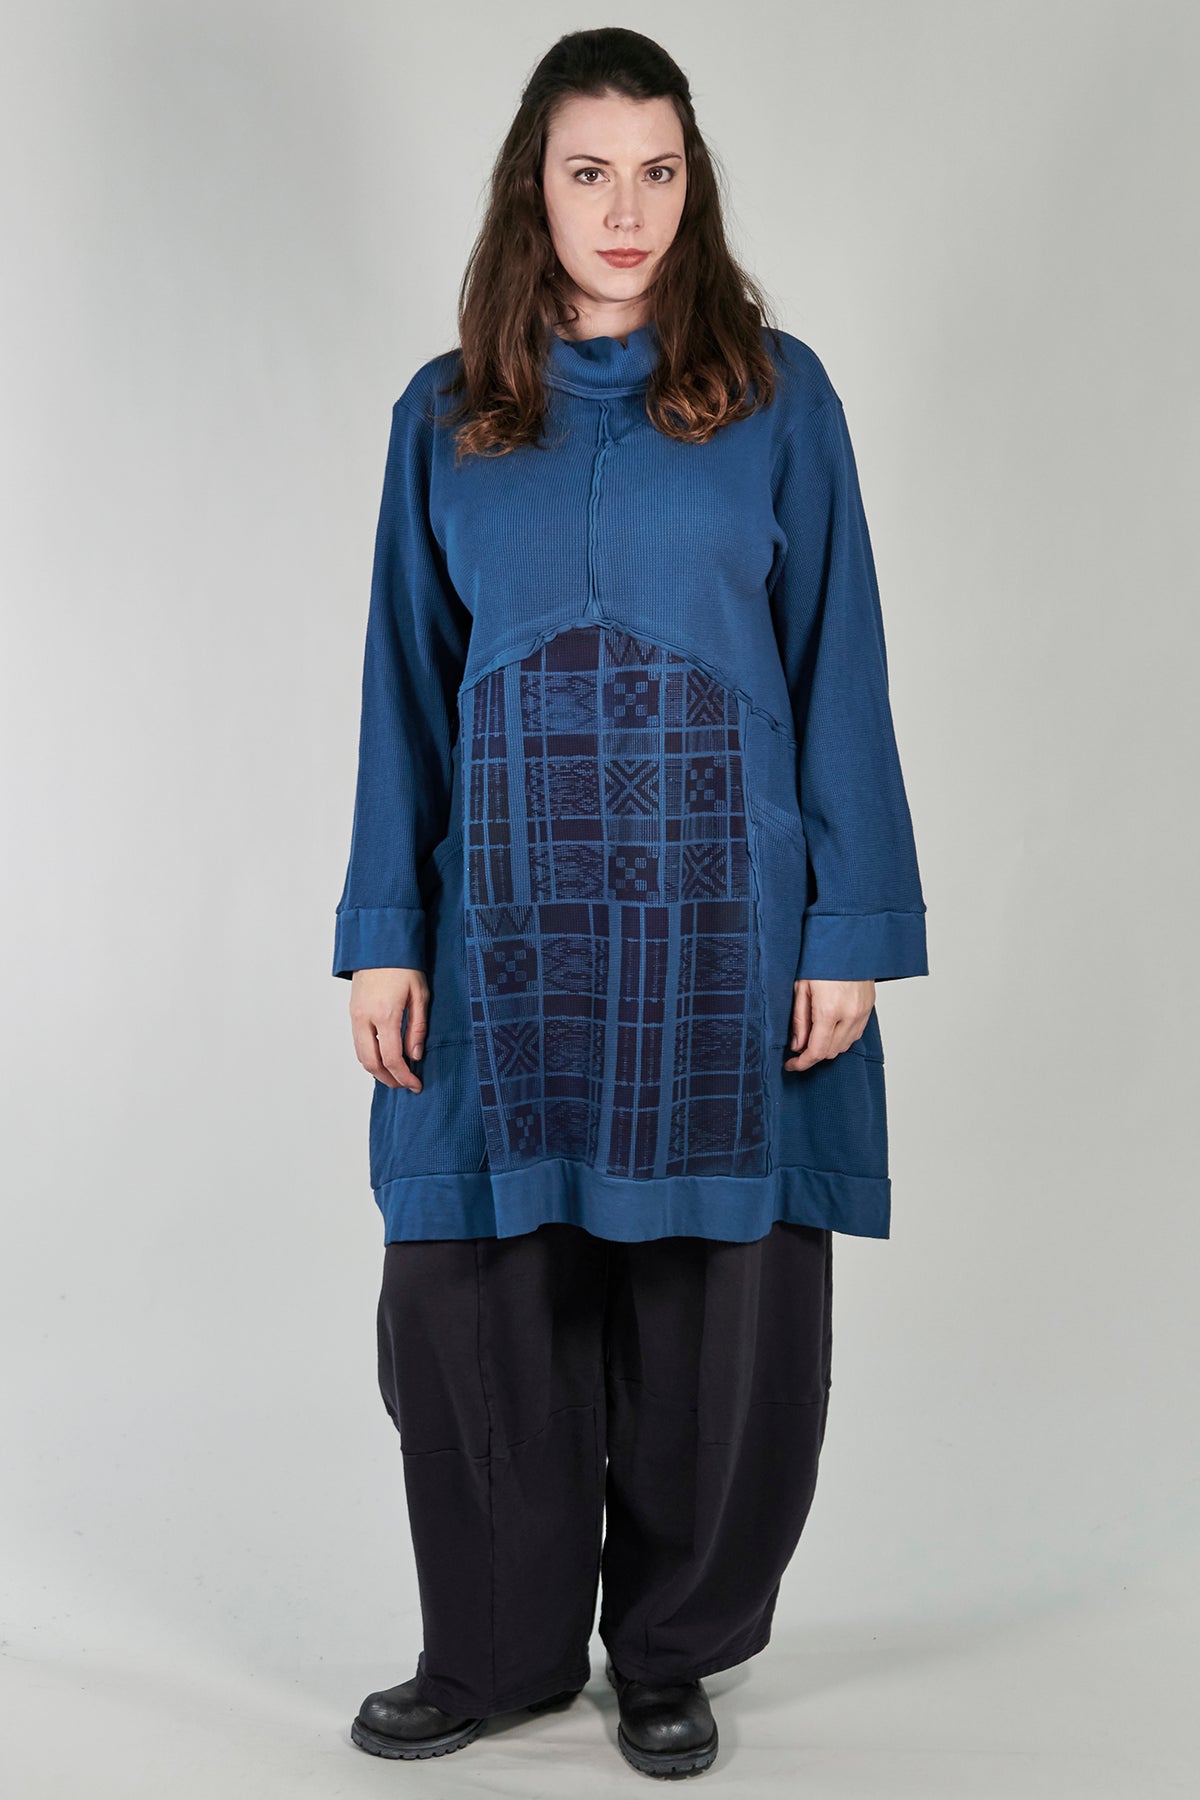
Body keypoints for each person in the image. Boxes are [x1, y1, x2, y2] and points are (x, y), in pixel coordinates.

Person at [331, 26, 928, 1779]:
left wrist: (847, 933)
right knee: (472, 1294)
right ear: (534, 185)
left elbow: (837, 666)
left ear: (694, 183)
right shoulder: (446, 415)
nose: (626, 208)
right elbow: (401, 691)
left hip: (727, 933)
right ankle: (497, 1651)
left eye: (658, 171)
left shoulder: (777, 398)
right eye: (591, 171)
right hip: (502, 938)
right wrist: (382, 933)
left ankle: (670, 1650)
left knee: (713, 1310)